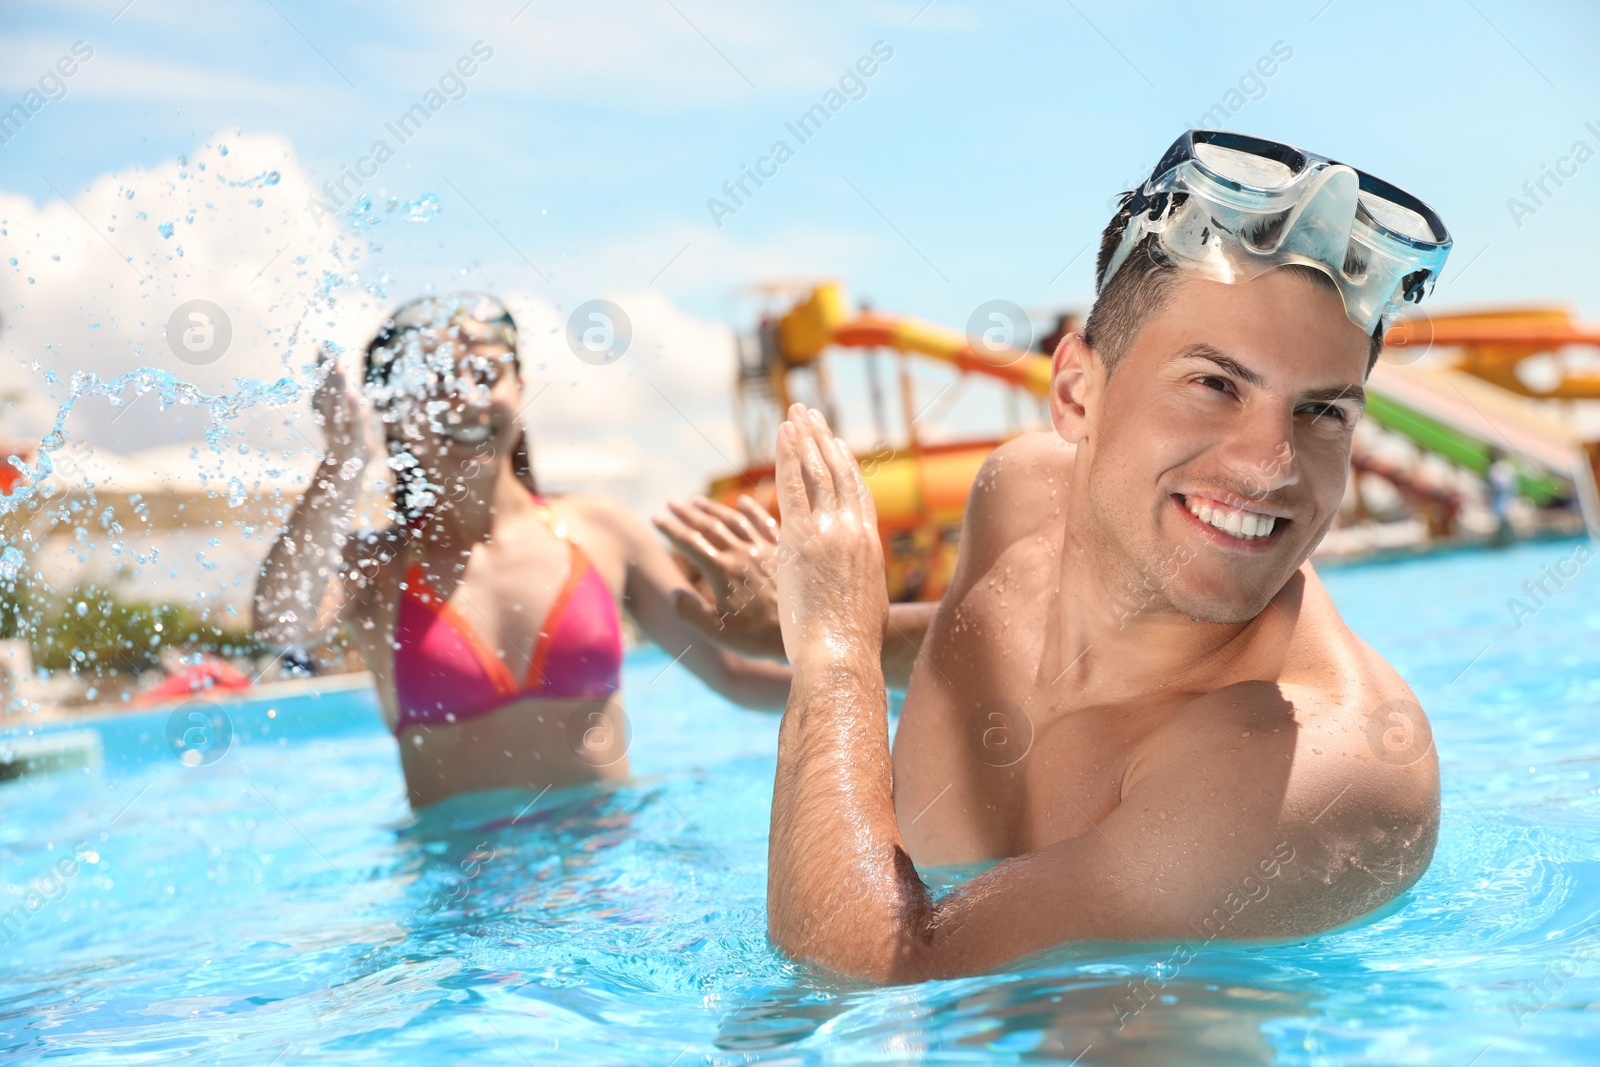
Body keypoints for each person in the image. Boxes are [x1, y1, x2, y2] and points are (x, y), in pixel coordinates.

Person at [671, 131, 1450, 980]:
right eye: (1215, 384)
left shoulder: (1317, 770)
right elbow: (977, 630)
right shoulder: (1019, 497)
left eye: (1323, 412)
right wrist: (808, 621)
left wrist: (833, 654)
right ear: (1078, 391)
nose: (1271, 465)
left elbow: (866, 974)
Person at [252, 293, 794, 809]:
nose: (466, 398)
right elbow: (280, 623)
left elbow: (733, 674)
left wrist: (867, 675)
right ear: (394, 414)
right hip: (465, 892)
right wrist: (343, 461)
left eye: (487, 375)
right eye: (437, 382)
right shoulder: (373, 567)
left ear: (521, 385)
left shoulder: (601, 529)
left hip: (609, 874)